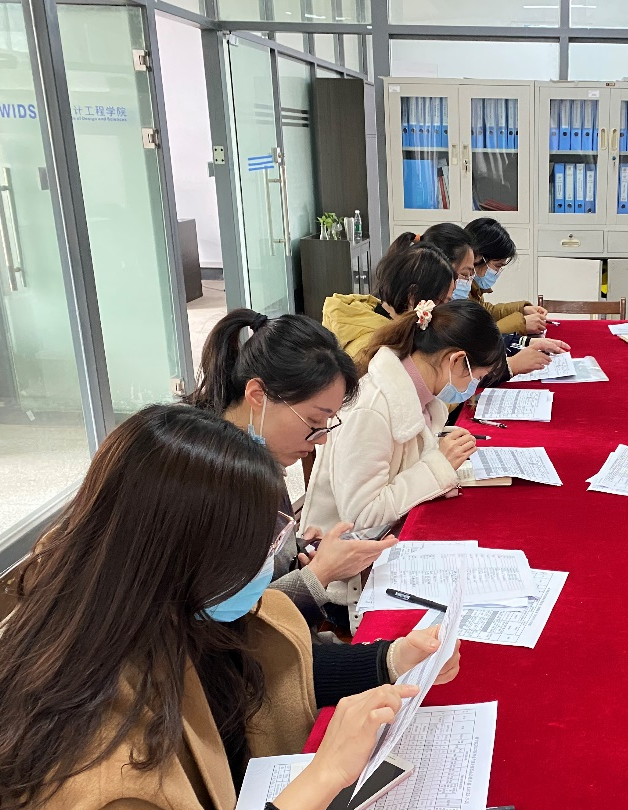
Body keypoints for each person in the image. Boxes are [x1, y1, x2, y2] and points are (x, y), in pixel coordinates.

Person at [0, 404, 458, 810]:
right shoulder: (83, 722)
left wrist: (392, 659)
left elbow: (260, 669)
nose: (269, 564)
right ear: (182, 557)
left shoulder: (164, 609)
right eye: (254, 550)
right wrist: (321, 779)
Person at [188, 309, 397, 632]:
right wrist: (319, 575)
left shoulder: (257, 455)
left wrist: (294, 548)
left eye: (326, 423)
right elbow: (230, 626)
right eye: (313, 421)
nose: (322, 438)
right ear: (257, 395)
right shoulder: (212, 479)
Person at [303, 298, 503, 559]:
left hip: (390, 540)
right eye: (478, 378)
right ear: (456, 361)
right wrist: (439, 465)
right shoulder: (371, 408)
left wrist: (440, 458)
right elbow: (362, 518)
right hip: (347, 564)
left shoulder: (420, 396)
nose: (473, 387)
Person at [419, 222, 567, 380]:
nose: (467, 281)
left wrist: (523, 338)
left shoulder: (443, 303)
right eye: (464, 274)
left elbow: (482, 319)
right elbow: (463, 364)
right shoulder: (426, 317)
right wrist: (511, 365)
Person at [321, 238, 454, 359]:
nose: (443, 310)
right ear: (413, 295)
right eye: (440, 301)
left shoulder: (387, 324)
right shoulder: (376, 348)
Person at [465, 216, 549, 334]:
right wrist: (521, 323)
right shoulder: (458, 289)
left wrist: (522, 309)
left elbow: (484, 312)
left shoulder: (472, 287)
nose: (497, 272)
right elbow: (474, 337)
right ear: (477, 256)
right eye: (497, 265)